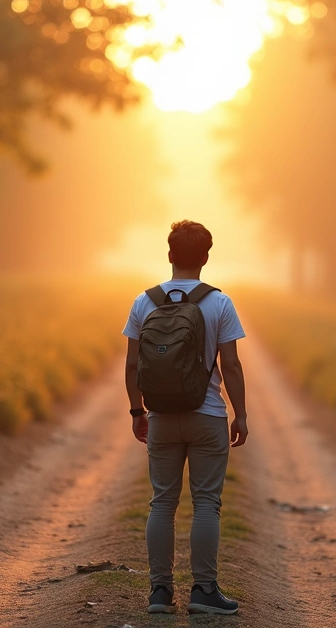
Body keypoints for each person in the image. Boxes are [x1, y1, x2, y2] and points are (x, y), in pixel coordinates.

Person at [122, 220, 248, 616]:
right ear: (205, 257)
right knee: (206, 504)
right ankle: (204, 591)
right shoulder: (219, 303)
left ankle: (160, 592)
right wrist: (240, 414)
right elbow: (231, 365)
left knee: (162, 503)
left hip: (161, 416)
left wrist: (138, 411)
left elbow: (131, 365)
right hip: (207, 416)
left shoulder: (144, 302)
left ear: (170, 254)